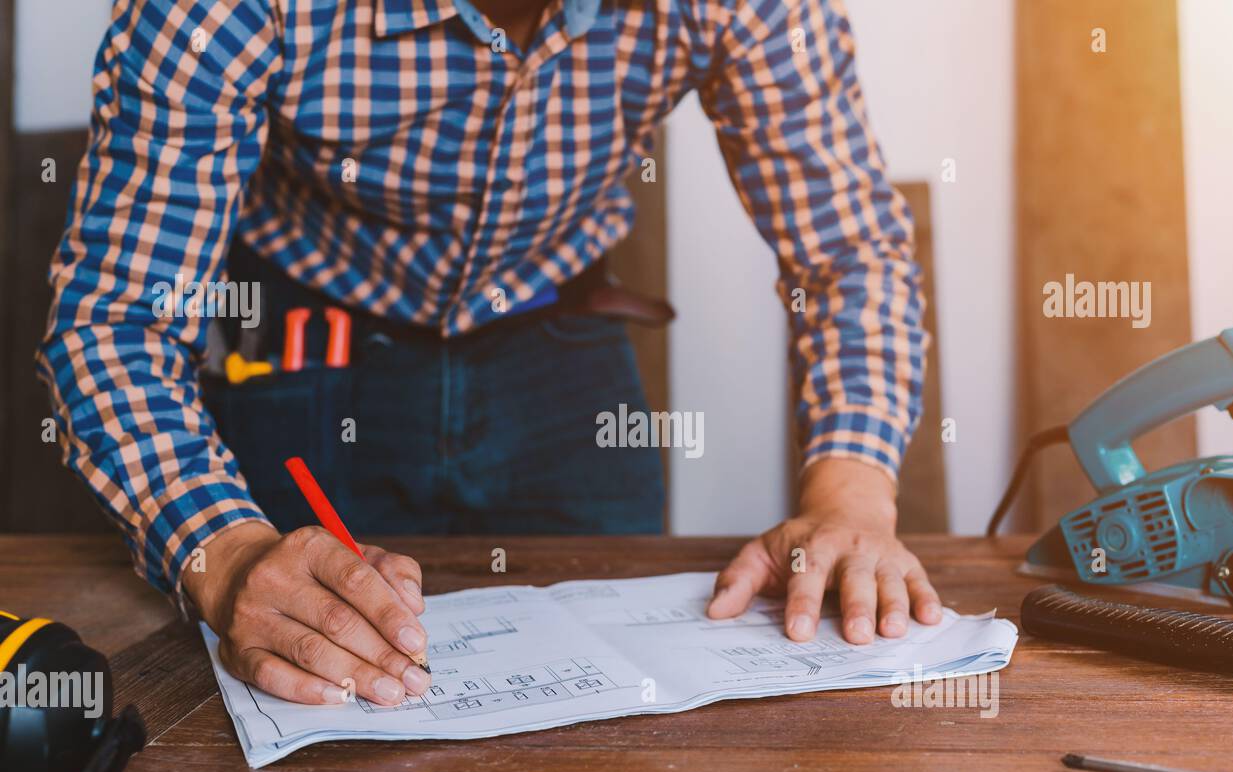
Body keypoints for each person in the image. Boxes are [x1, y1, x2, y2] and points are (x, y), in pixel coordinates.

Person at [38, 0, 940, 707]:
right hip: (313, 353)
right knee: (308, 695)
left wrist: (851, 496)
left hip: (564, 349)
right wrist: (224, 553)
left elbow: (849, 255)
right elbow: (117, 320)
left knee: (613, 730)